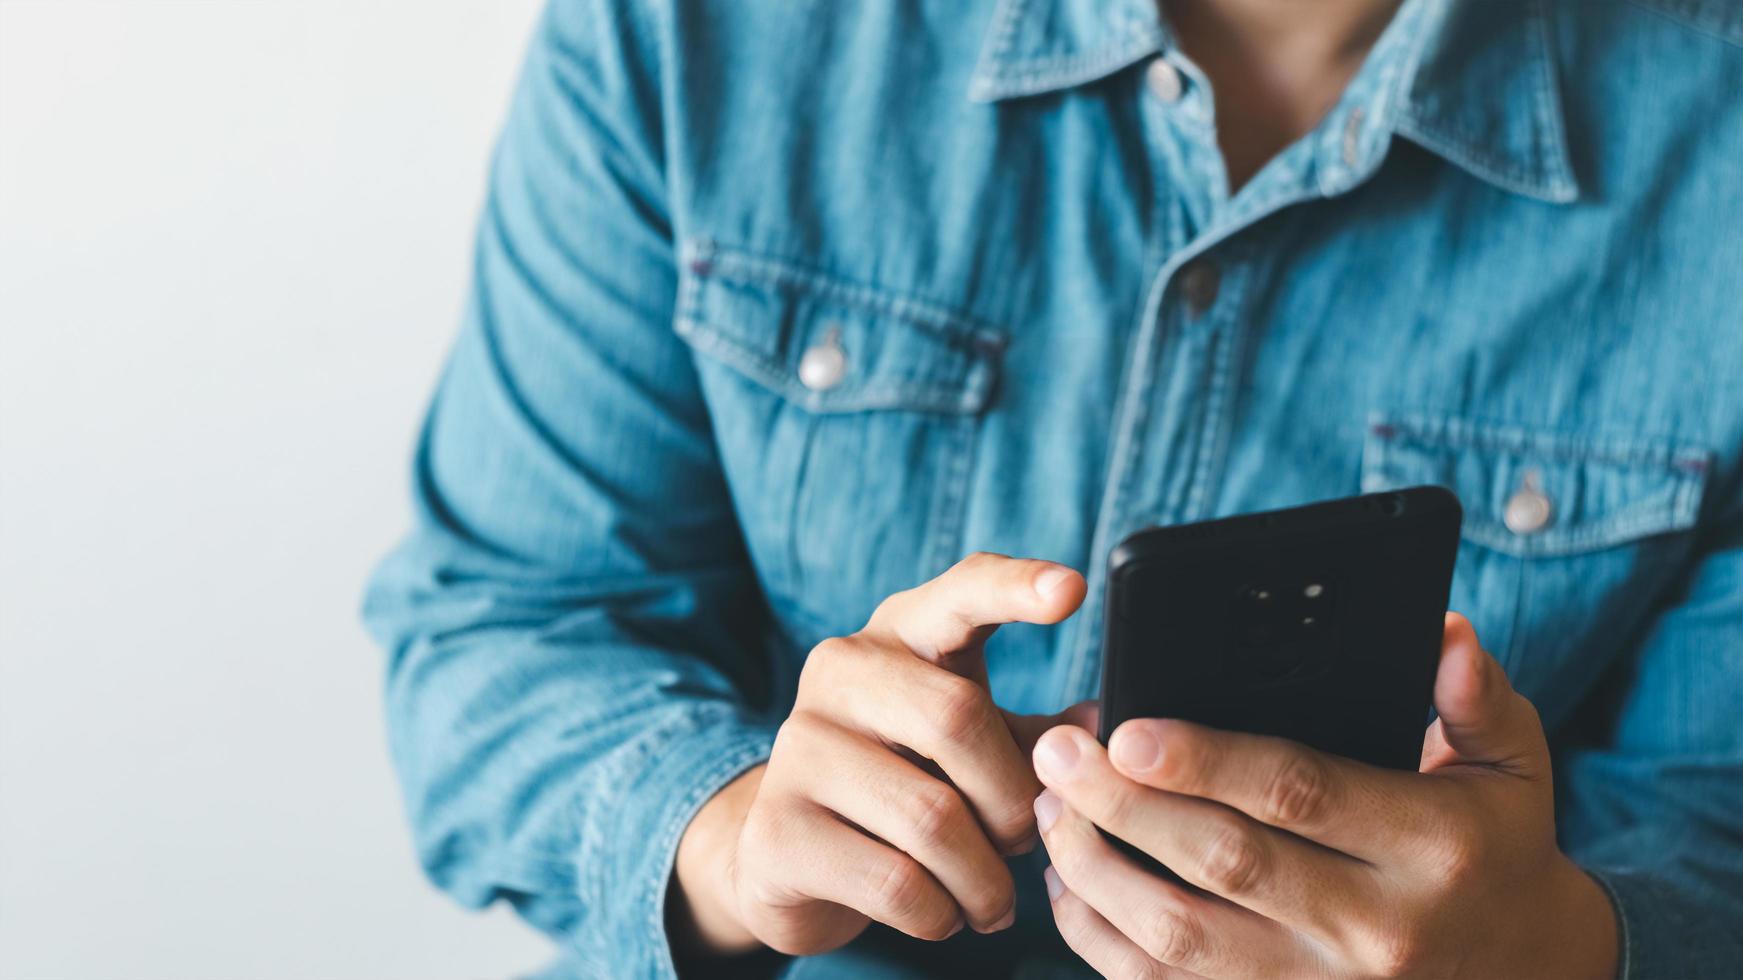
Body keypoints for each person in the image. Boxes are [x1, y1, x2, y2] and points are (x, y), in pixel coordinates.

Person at [361, 0, 1743, 975]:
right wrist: (730, 836)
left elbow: (1717, 826)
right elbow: (504, 627)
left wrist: (1563, 951)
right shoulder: (701, 32)